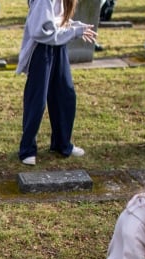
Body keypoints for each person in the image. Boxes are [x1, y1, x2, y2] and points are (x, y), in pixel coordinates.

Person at [16, 0, 97, 166]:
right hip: (41, 50)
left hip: (58, 47)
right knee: (37, 101)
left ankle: (62, 144)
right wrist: (74, 31)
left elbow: (56, 19)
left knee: (65, 95)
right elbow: (41, 31)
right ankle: (27, 149)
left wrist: (74, 25)